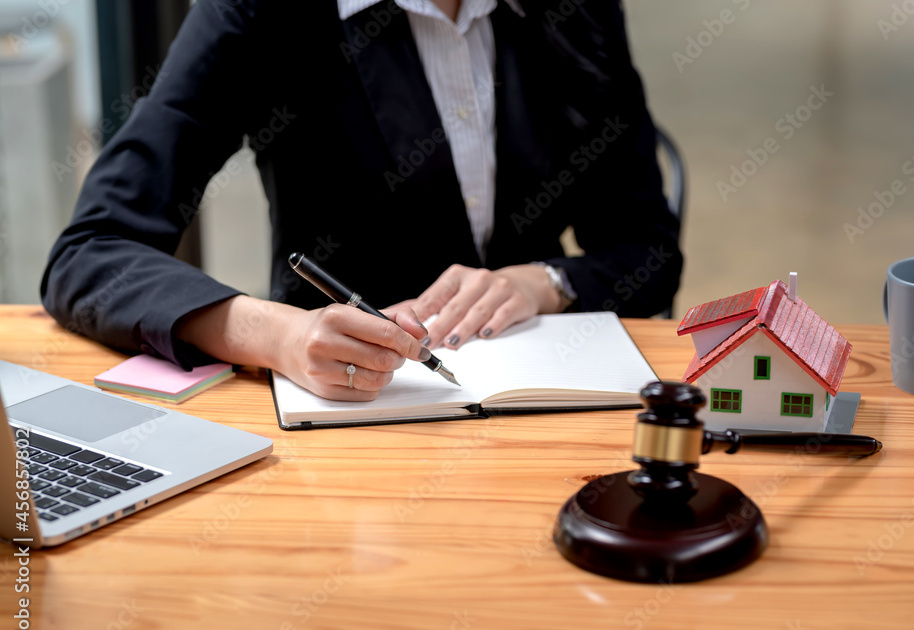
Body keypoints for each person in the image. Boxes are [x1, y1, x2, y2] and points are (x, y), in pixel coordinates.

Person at [41, 0, 682, 402]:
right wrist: (279, 335)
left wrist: (546, 282)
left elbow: (648, 249)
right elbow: (92, 254)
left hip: (547, 403)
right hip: (343, 416)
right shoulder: (262, 13)